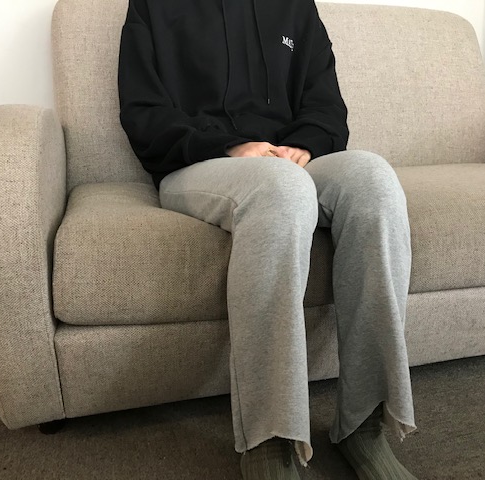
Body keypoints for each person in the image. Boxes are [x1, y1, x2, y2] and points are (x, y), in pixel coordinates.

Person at [118, 0, 417, 478]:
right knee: (282, 189)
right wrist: (230, 147)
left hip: (289, 161)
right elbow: (142, 112)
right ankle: (270, 441)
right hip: (199, 162)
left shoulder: (296, 6)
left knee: (373, 180)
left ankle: (364, 423)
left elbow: (326, 102)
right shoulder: (153, 5)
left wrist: (305, 144)